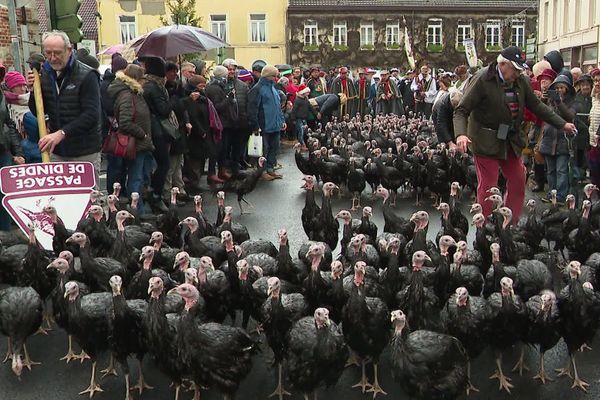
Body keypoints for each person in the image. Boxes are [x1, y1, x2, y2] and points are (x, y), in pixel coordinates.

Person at [454, 46, 577, 221]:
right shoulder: (482, 79)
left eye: (521, 69)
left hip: (510, 139)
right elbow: (461, 110)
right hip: (485, 140)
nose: (518, 73)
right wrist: (460, 135)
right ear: (502, 64)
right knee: (489, 186)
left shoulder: (521, 81)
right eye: (515, 69)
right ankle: (486, 224)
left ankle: (509, 224)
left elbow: (537, 106)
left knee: (519, 178)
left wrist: (562, 124)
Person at [28, 30, 102, 180]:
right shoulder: (45, 75)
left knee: (86, 199)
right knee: (58, 200)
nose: (52, 58)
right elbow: (38, 112)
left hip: (84, 152)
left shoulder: (87, 75)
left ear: (69, 50)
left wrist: (61, 133)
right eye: (48, 53)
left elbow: (91, 115)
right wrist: (33, 91)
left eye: (57, 53)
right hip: (58, 153)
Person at [106, 64, 154, 215]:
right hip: (135, 143)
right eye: (142, 79)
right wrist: (143, 134)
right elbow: (125, 122)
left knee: (136, 176)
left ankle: (134, 209)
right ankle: (136, 211)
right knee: (136, 178)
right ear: (136, 79)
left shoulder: (131, 93)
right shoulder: (128, 95)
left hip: (136, 143)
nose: (144, 82)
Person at [141, 56, 176, 213]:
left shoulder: (146, 85)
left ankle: (153, 193)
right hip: (157, 130)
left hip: (152, 129)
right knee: (163, 164)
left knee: (154, 164)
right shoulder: (154, 88)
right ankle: (155, 195)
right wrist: (173, 99)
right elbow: (163, 110)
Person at [538, 75, 577, 204]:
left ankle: (560, 196)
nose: (559, 90)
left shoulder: (572, 102)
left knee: (561, 170)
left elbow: (570, 116)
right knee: (550, 170)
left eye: (562, 87)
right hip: (549, 140)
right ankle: (551, 193)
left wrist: (559, 103)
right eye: (557, 88)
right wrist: (543, 100)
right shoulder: (549, 101)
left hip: (563, 141)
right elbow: (541, 113)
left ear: (567, 89)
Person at [247, 64, 286, 181]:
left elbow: (277, 107)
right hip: (263, 125)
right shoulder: (257, 89)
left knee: (274, 147)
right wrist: (255, 125)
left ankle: (270, 168)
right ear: (269, 75)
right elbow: (252, 109)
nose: (276, 78)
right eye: (275, 75)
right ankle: (261, 171)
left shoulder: (273, 88)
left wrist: (282, 120)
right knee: (263, 149)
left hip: (275, 124)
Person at [184, 75, 224, 185]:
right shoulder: (190, 99)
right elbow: (193, 116)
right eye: (201, 86)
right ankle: (193, 182)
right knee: (195, 160)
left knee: (203, 157)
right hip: (197, 134)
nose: (203, 89)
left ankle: (196, 180)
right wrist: (201, 132)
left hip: (205, 131)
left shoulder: (203, 98)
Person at [0, 64, 25, 230]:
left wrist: (17, 152)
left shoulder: (1, 95)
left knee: (4, 195)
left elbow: (8, 123)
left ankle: (5, 235)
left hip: (3, 152)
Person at [205, 65, 237, 180]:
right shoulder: (214, 88)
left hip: (225, 122)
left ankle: (221, 170)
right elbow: (217, 107)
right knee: (217, 148)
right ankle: (212, 172)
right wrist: (229, 98)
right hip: (219, 123)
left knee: (224, 148)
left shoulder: (220, 87)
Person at [2, 70, 41, 163]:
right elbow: (11, 130)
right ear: (11, 88)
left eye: (24, 85)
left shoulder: (33, 98)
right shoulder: (7, 106)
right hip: (22, 150)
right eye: (19, 85)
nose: (23, 88)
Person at [573, 74, 593, 183]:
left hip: (591, 131)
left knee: (590, 153)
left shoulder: (594, 98)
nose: (585, 87)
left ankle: (587, 173)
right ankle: (579, 175)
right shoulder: (576, 99)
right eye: (583, 85)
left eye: (587, 85)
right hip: (579, 131)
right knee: (579, 153)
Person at [588, 69, 600, 186]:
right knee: (595, 175)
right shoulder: (595, 98)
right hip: (594, 143)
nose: (597, 83)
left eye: (599, 81)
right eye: (595, 81)